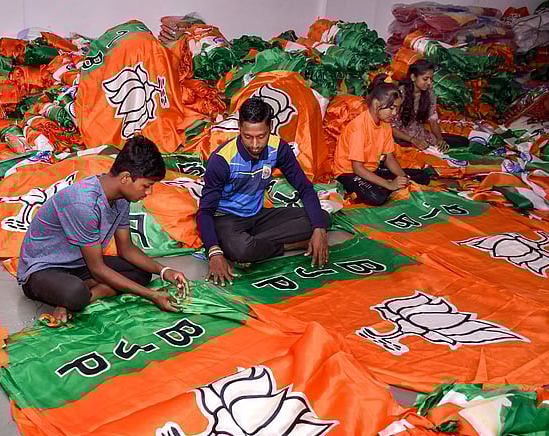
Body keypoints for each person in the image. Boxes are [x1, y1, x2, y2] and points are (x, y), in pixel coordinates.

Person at [17, 136, 189, 324]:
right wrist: (152, 296)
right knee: (75, 293)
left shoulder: (121, 199)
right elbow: (97, 269)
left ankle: (85, 295)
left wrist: (164, 271)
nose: (148, 192)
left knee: (142, 272)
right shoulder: (84, 204)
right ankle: (80, 296)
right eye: (146, 186)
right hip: (42, 270)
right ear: (125, 178)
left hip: (79, 264)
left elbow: (126, 249)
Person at [198, 98, 331, 287]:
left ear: (271, 128)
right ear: (239, 128)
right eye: (248, 136)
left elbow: (305, 188)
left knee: (323, 218)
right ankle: (287, 245)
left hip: (258, 216)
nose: (254, 144)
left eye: (261, 136)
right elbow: (204, 212)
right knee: (242, 249)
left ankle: (251, 247)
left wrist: (319, 229)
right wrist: (214, 251)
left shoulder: (279, 148)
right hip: (226, 219)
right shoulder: (221, 160)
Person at [334, 75, 431, 207]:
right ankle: (385, 187)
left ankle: (385, 186)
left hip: (372, 169)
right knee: (376, 197)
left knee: (421, 177)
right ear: (376, 104)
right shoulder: (359, 128)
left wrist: (405, 179)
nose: (394, 113)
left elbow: (389, 159)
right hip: (349, 173)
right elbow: (357, 169)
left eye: (397, 108)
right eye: (391, 108)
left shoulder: (385, 125)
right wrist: (389, 184)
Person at [392, 59, 469, 151]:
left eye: (431, 79)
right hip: (401, 138)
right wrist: (413, 140)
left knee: (463, 141)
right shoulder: (399, 94)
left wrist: (440, 139)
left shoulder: (429, 94)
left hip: (420, 134)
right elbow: (390, 127)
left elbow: (433, 121)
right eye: (425, 79)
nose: (429, 83)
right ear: (413, 77)